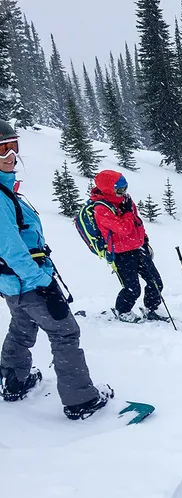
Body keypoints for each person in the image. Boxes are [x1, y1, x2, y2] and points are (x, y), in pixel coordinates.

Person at [0, 121, 112, 419]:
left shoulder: (6, 191)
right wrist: (43, 282)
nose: (11, 155)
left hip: (15, 284)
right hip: (29, 280)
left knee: (22, 327)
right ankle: (81, 400)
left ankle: (14, 380)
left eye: (14, 146)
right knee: (65, 332)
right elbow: (10, 249)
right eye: (2, 149)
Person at [91, 170, 165, 323]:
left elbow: (137, 222)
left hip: (138, 247)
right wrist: (127, 213)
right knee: (132, 288)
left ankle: (151, 308)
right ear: (108, 189)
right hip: (121, 253)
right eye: (119, 189)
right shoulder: (101, 209)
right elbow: (123, 228)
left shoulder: (125, 201)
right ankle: (123, 311)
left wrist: (144, 240)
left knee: (156, 282)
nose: (123, 192)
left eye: (125, 188)